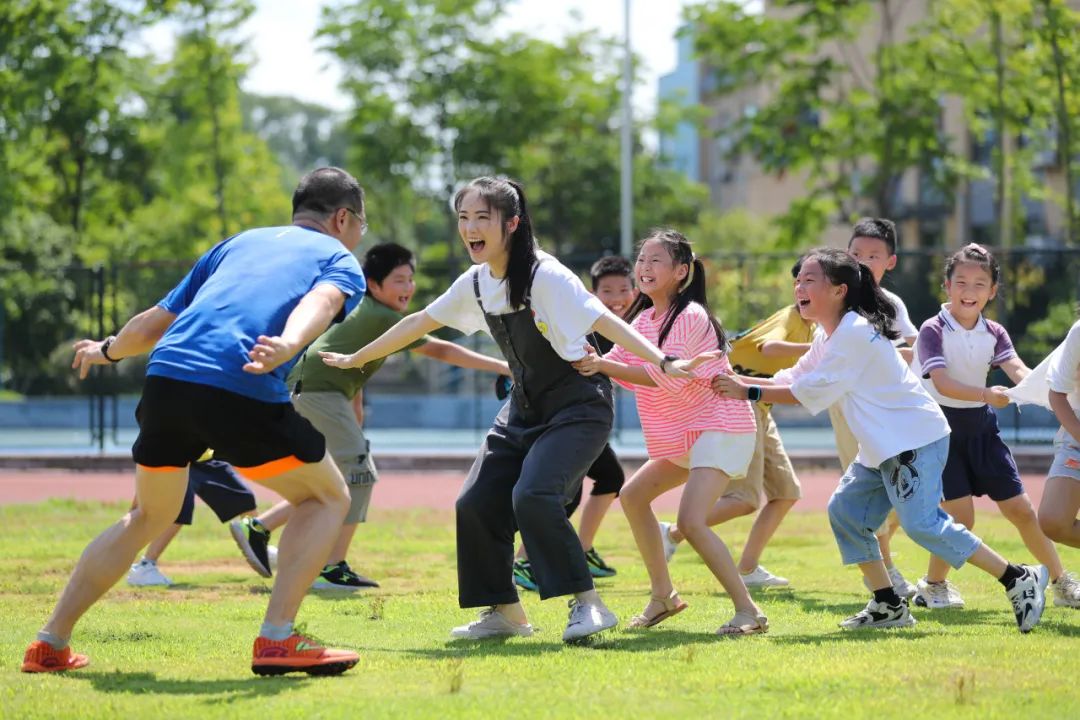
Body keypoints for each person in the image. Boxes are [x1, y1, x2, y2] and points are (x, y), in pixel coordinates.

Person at [320, 177, 704, 643]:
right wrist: (359, 356)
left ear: (513, 223)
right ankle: (504, 611)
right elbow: (422, 321)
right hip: (522, 408)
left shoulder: (549, 275)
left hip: (579, 405)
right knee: (475, 502)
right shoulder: (477, 283)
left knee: (533, 495)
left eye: (482, 217)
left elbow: (603, 320)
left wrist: (662, 360)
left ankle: (589, 605)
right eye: (463, 218)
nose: (470, 228)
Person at [22, 167, 367, 675]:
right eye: (360, 224)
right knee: (326, 497)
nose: (359, 236)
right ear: (342, 218)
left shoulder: (237, 244)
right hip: (239, 382)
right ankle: (277, 639)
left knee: (146, 516)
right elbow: (322, 302)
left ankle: (50, 642)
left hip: (165, 381)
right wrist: (290, 345)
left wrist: (107, 350)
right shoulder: (339, 258)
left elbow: (158, 320)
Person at [715, 247, 1049, 633]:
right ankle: (888, 604)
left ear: (839, 290)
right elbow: (792, 377)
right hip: (882, 447)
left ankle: (1017, 576)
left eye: (809, 279)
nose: (798, 286)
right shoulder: (831, 333)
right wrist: (740, 382)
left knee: (922, 524)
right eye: (798, 279)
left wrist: (746, 392)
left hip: (914, 440)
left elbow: (811, 390)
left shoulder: (854, 332)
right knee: (845, 513)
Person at [230, 242, 510, 590]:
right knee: (359, 475)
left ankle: (261, 527)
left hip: (316, 392)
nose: (408, 288)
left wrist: (355, 413)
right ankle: (330, 567)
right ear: (374, 285)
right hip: (319, 394)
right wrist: (502, 365)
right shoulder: (382, 316)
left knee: (332, 482)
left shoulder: (366, 313)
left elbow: (353, 366)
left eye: (410, 279)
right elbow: (439, 348)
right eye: (398, 280)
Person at [574, 229, 767, 636]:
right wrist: (587, 356)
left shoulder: (692, 316)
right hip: (689, 433)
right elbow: (620, 366)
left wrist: (603, 366)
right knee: (633, 495)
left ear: (681, 271)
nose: (644, 268)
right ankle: (663, 596)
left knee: (691, 521)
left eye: (655, 261)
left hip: (721, 426)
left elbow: (666, 377)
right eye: (641, 260)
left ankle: (748, 612)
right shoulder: (643, 319)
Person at [912, 244, 1080, 610]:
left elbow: (1018, 369)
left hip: (984, 432)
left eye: (979, 284)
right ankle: (934, 585)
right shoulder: (932, 329)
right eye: (961, 282)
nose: (968, 291)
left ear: (992, 292)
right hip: (941, 433)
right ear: (946, 286)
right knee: (960, 517)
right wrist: (987, 393)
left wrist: (1035, 388)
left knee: (1022, 510)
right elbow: (942, 383)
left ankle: (1062, 582)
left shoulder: (996, 332)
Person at [661, 257, 810, 588]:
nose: (803, 288)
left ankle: (748, 568)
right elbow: (769, 348)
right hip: (739, 400)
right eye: (801, 281)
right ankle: (672, 532)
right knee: (744, 499)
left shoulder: (823, 328)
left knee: (786, 492)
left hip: (761, 404)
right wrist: (818, 347)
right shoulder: (793, 318)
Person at [512, 254, 635, 591]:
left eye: (624, 289)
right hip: (566, 416)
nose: (617, 298)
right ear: (592, 295)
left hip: (584, 416)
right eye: (607, 291)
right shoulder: (585, 320)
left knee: (606, 479)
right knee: (568, 492)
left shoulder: (627, 327)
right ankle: (525, 560)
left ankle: (579, 549)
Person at [839, 218, 920, 598]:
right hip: (849, 407)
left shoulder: (892, 304)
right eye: (855, 253)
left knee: (906, 486)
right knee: (864, 489)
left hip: (891, 410)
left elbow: (915, 346)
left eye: (873, 255)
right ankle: (886, 574)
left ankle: (886, 570)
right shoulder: (837, 296)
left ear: (890, 262)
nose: (862, 261)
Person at [128, 457, 259, 587]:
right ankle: (144, 566)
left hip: (204, 456)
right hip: (178, 458)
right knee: (178, 510)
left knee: (244, 498)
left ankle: (259, 549)